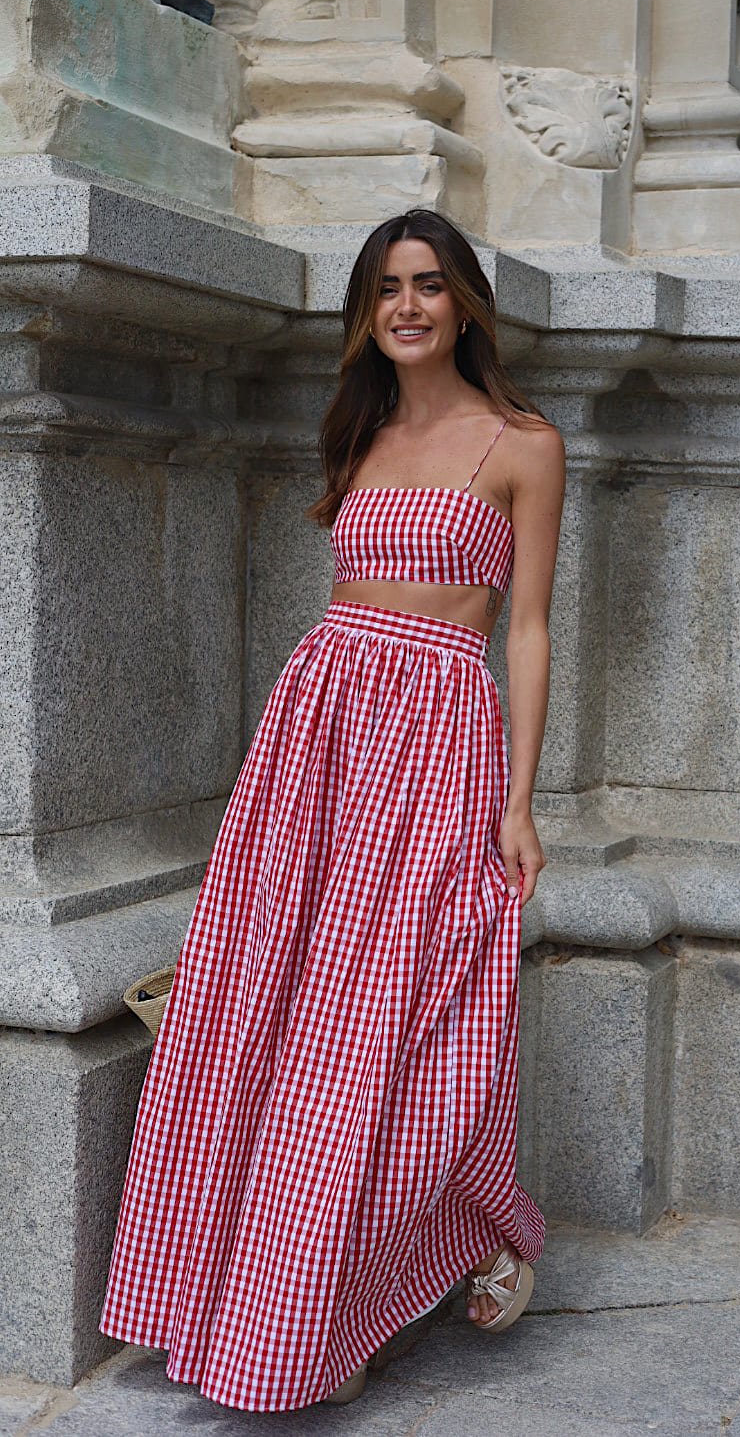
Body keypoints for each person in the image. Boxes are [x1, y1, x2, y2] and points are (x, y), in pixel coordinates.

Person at [98, 208, 566, 1412]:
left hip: (438, 737)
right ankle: (269, 1300)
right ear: (368, 313)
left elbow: (525, 630)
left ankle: (443, 1240)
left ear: (464, 302)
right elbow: (349, 601)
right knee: (271, 1007)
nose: (407, 306)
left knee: (406, 1014)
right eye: (386, 289)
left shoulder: (522, 444)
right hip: (322, 730)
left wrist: (518, 800)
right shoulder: (355, 435)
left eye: (428, 285)